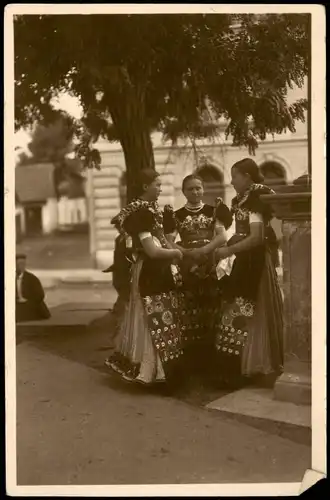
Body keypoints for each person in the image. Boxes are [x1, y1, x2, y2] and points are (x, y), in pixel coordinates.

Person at [105, 169, 184, 387]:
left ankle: (161, 370)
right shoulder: (141, 213)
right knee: (151, 316)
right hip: (150, 269)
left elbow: (162, 242)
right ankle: (149, 370)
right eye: (157, 185)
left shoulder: (152, 210)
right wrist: (176, 254)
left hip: (159, 269)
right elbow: (151, 250)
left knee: (161, 315)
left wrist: (174, 251)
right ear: (145, 187)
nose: (160, 188)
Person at [214, 158, 284, 388]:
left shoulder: (256, 197)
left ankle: (254, 366)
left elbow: (256, 237)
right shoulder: (243, 198)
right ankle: (243, 366)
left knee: (247, 310)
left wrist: (228, 250)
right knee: (238, 311)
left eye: (234, 176)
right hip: (244, 261)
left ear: (247, 175)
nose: (231, 182)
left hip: (255, 263)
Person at [163, 174, 233, 384]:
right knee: (188, 309)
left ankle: (213, 363)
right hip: (187, 265)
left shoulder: (214, 211)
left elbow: (222, 237)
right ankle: (192, 363)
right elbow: (168, 241)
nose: (195, 192)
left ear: (204, 189)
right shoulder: (176, 215)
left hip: (209, 262)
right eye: (191, 189)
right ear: (183, 192)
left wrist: (203, 249)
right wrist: (185, 251)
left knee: (212, 308)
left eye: (199, 188)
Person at [16, 254, 51, 322]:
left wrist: (28, 301)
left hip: (31, 305)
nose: (21, 266)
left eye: (23, 264)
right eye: (19, 264)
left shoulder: (32, 278)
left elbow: (40, 295)